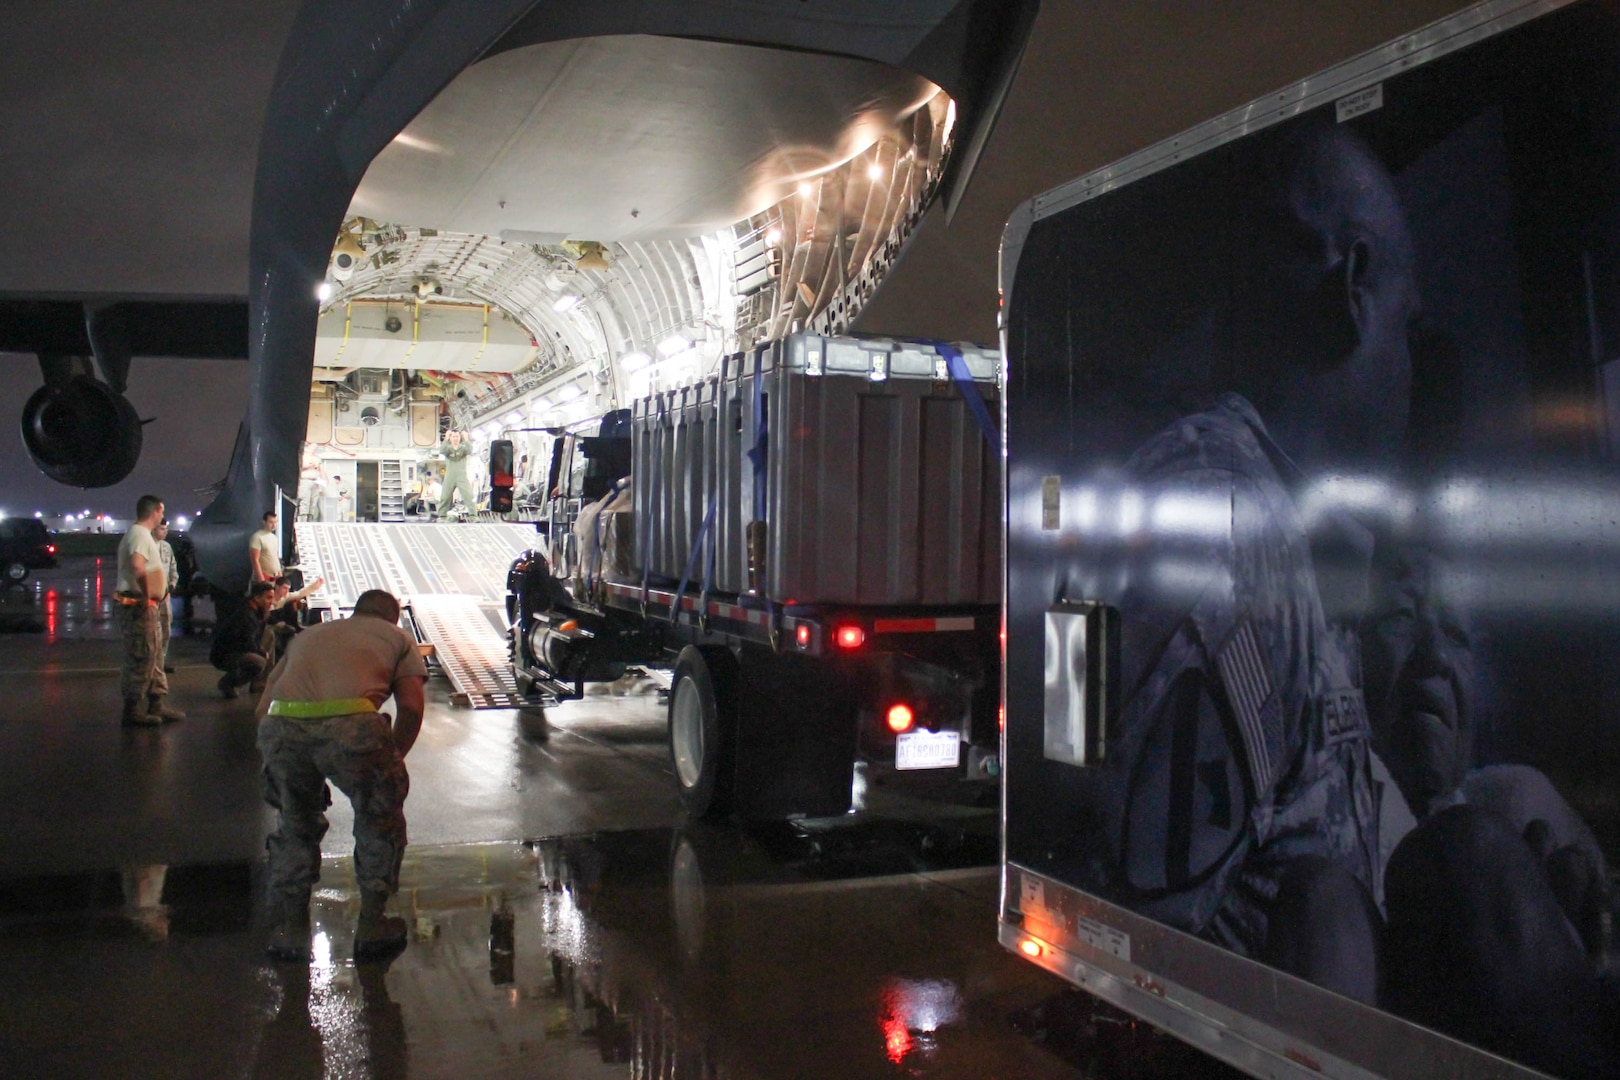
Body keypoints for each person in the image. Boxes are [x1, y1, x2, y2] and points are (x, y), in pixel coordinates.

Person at [1080, 122, 1419, 1003]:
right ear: (1353, 290)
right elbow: (1154, 954)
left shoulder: (1256, 516)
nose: (1412, 373)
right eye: (1410, 332)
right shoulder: (1236, 537)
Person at [256, 588, 427, 962]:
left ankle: (291, 930)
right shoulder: (397, 638)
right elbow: (412, 709)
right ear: (392, 617)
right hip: (353, 728)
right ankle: (371, 925)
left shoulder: (308, 635)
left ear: (356, 612)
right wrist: (392, 759)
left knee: (294, 824)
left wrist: (280, 750)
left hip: (282, 725)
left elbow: (264, 703)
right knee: (379, 820)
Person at [116, 495, 185, 726]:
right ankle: (132, 710)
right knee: (141, 656)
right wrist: (147, 595)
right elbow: (137, 565)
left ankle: (157, 704)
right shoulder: (138, 535)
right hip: (139, 606)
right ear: (155, 511)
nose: (163, 517)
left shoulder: (143, 535)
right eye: (161, 512)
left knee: (154, 656)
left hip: (150, 606)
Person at [213, 581, 276, 699]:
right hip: (226, 653)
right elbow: (247, 642)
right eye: (268, 598)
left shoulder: (256, 610)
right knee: (258, 662)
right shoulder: (246, 614)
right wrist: (262, 652)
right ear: (257, 597)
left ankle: (259, 683)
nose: (271, 602)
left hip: (239, 647)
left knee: (269, 634)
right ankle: (227, 683)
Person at [154, 519, 179, 675]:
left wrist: (172, 583)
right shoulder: (148, 547)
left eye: (166, 528)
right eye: (162, 528)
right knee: (152, 630)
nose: (165, 531)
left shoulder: (167, 547)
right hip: (151, 596)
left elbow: (172, 567)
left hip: (165, 596)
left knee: (165, 628)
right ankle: (153, 663)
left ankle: (161, 661)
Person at [436, 429, 475, 521]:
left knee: (468, 496)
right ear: (450, 438)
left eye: (457, 436)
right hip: (450, 476)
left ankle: (473, 515)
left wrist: (466, 439)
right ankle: (442, 515)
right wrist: (446, 438)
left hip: (462, 476)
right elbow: (442, 450)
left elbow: (470, 450)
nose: (455, 438)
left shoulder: (463, 448)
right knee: (445, 496)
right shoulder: (448, 449)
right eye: (453, 436)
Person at [249, 510, 282, 583]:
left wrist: (280, 577)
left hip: (275, 579)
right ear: (264, 522)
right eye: (271, 522)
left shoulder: (274, 538)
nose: (273, 525)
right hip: (264, 579)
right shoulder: (257, 537)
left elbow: (274, 558)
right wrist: (261, 580)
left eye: (275, 522)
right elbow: (255, 560)